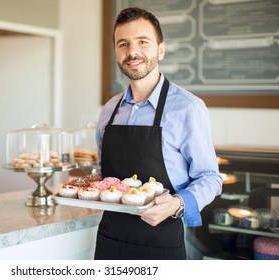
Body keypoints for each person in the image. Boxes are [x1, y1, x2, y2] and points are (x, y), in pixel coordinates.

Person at [94, 7, 223, 260]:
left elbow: (210, 177)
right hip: (110, 241)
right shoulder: (109, 111)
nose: (132, 52)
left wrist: (177, 203)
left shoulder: (188, 108)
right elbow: (103, 175)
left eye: (143, 42)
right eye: (123, 44)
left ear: (160, 49)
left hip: (161, 243)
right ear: (116, 53)